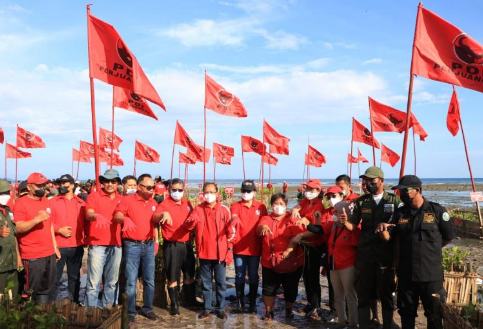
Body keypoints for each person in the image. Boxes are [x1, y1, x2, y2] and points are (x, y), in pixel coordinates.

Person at [376, 175, 455, 329]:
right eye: (399, 192)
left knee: (434, 315)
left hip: (430, 275)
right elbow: (390, 238)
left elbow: (448, 238)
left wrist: (428, 251)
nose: (401, 194)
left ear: (417, 190)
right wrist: (381, 228)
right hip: (406, 275)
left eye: (404, 191)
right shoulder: (400, 213)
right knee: (406, 314)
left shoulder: (437, 211)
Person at [339, 166, 401, 329]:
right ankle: (365, 325)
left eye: (372, 180)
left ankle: (388, 324)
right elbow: (352, 225)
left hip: (385, 255)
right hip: (365, 254)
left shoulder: (393, 201)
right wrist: (345, 222)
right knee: (364, 292)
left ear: (381, 181)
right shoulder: (361, 202)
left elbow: (401, 228)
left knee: (386, 293)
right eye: (366, 180)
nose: (368, 184)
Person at [294, 199, 360, 329]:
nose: (333, 213)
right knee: (338, 296)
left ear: (345, 212)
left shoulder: (353, 228)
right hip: (334, 266)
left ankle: (353, 323)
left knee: (350, 295)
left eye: (336, 211)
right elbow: (318, 229)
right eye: (334, 211)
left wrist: (346, 222)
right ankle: (341, 322)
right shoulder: (333, 225)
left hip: (348, 266)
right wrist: (306, 222)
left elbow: (357, 245)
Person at [184, 182, 235, 320]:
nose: (208, 195)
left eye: (211, 192)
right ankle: (207, 308)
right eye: (206, 192)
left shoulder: (224, 210)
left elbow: (231, 232)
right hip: (204, 252)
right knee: (206, 283)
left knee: (220, 283)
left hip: (220, 253)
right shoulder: (198, 209)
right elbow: (188, 226)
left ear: (217, 193)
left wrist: (229, 249)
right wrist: (190, 221)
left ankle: (220, 308)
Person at [114, 173, 159, 325]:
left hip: (149, 244)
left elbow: (156, 221)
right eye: (148, 187)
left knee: (149, 280)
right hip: (132, 245)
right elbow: (117, 216)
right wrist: (125, 219)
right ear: (139, 187)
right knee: (131, 280)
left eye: (153, 187)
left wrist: (157, 240)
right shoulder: (127, 200)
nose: (151, 189)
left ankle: (147, 308)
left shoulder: (153, 202)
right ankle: (131, 311)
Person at [153, 178, 197, 315]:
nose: (177, 192)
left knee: (189, 274)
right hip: (172, 245)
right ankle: (175, 304)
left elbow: (194, 219)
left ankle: (190, 301)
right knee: (172, 276)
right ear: (169, 190)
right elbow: (154, 218)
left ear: (183, 190)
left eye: (180, 190)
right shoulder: (164, 204)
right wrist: (163, 214)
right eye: (174, 190)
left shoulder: (187, 203)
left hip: (187, 244)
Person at [14, 172, 60, 303]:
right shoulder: (21, 203)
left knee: (46, 290)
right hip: (32, 255)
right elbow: (18, 228)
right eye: (39, 185)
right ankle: (27, 320)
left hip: (49, 253)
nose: (43, 188)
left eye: (44, 184)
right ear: (29, 187)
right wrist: (36, 219)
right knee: (29, 292)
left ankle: (42, 319)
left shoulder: (45, 201)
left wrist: (55, 246)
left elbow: (50, 225)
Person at [257, 193, 303, 321]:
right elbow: (259, 228)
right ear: (271, 205)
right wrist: (264, 227)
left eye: (281, 204)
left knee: (291, 288)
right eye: (275, 204)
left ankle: (288, 309)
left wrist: (288, 250)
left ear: (286, 206)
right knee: (268, 288)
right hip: (269, 261)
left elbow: (297, 236)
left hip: (291, 261)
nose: (278, 206)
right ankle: (268, 312)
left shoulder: (292, 219)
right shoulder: (266, 218)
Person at [291, 179, 331, 319]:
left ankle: (316, 306)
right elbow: (296, 207)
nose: (308, 192)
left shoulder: (319, 206)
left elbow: (316, 230)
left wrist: (301, 235)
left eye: (312, 189)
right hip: (305, 245)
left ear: (318, 191)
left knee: (313, 277)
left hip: (315, 245)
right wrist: (296, 209)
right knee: (306, 275)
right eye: (307, 189)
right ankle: (310, 302)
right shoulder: (306, 202)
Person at [85, 169, 123, 309]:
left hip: (116, 244)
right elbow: (88, 213)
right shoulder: (93, 196)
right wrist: (96, 216)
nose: (110, 184)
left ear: (118, 183)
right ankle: (90, 313)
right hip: (97, 244)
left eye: (113, 181)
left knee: (112, 282)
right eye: (107, 181)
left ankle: (107, 311)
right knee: (94, 283)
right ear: (102, 182)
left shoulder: (122, 198)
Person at [230, 180, 268, 313]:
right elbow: (234, 214)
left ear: (254, 192)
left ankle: (252, 303)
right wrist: (234, 218)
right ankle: (240, 303)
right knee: (239, 275)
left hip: (254, 248)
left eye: (248, 191)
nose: (246, 193)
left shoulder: (261, 207)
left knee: (253, 275)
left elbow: (265, 221)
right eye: (244, 191)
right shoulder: (235, 205)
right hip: (239, 247)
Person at [50, 174, 86, 303]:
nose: (62, 186)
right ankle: (51, 305)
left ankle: (74, 303)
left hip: (77, 246)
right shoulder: (52, 202)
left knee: (74, 278)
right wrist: (59, 229)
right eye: (60, 183)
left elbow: (86, 224)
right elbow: (47, 223)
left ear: (72, 185)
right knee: (54, 278)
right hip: (58, 246)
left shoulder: (82, 203)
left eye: (65, 183)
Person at [0, 180, 21, 299]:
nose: (6, 195)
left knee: (12, 296)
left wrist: (18, 258)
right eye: (2, 193)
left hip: (11, 262)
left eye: (7, 192)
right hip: (1, 263)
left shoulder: (8, 210)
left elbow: (13, 235)